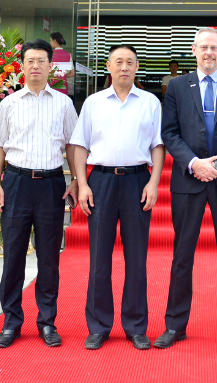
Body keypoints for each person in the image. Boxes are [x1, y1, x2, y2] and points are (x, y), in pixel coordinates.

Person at [156, 27, 217, 352]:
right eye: (203, 47)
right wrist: (193, 163)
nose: (209, 53)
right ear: (194, 50)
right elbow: (169, 132)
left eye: (214, 47)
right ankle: (175, 325)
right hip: (188, 181)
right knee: (182, 255)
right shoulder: (177, 87)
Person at [68, 44, 165, 351]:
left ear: (137, 67)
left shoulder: (150, 102)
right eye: (118, 62)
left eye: (130, 62)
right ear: (108, 66)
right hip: (101, 182)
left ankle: (136, 326)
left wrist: (153, 182)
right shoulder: (93, 103)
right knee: (99, 257)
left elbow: (158, 145)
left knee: (137, 258)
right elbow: (80, 146)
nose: (124, 67)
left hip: (137, 181)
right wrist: (83, 184)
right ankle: (98, 326)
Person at [0, 39, 79, 349]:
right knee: (13, 256)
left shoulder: (63, 103)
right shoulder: (10, 103)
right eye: (30, 60)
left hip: (51, 185)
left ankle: (47, 322)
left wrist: (75, 180)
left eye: (41, 60)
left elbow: (73, 146)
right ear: (22, 66)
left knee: (49, 258)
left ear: (51, 66)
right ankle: (11, 322)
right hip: (16, 183)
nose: (36, 65)